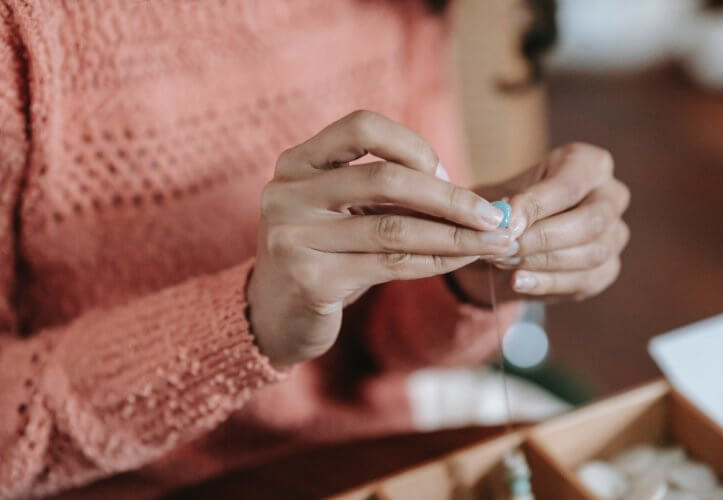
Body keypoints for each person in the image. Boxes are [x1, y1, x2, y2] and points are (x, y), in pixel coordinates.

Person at [0, 0, 629, 497]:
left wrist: (470, 275)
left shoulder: (406, 9)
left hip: (371, 462)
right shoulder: (26, 29)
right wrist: (250, 325)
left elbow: (392, 341)